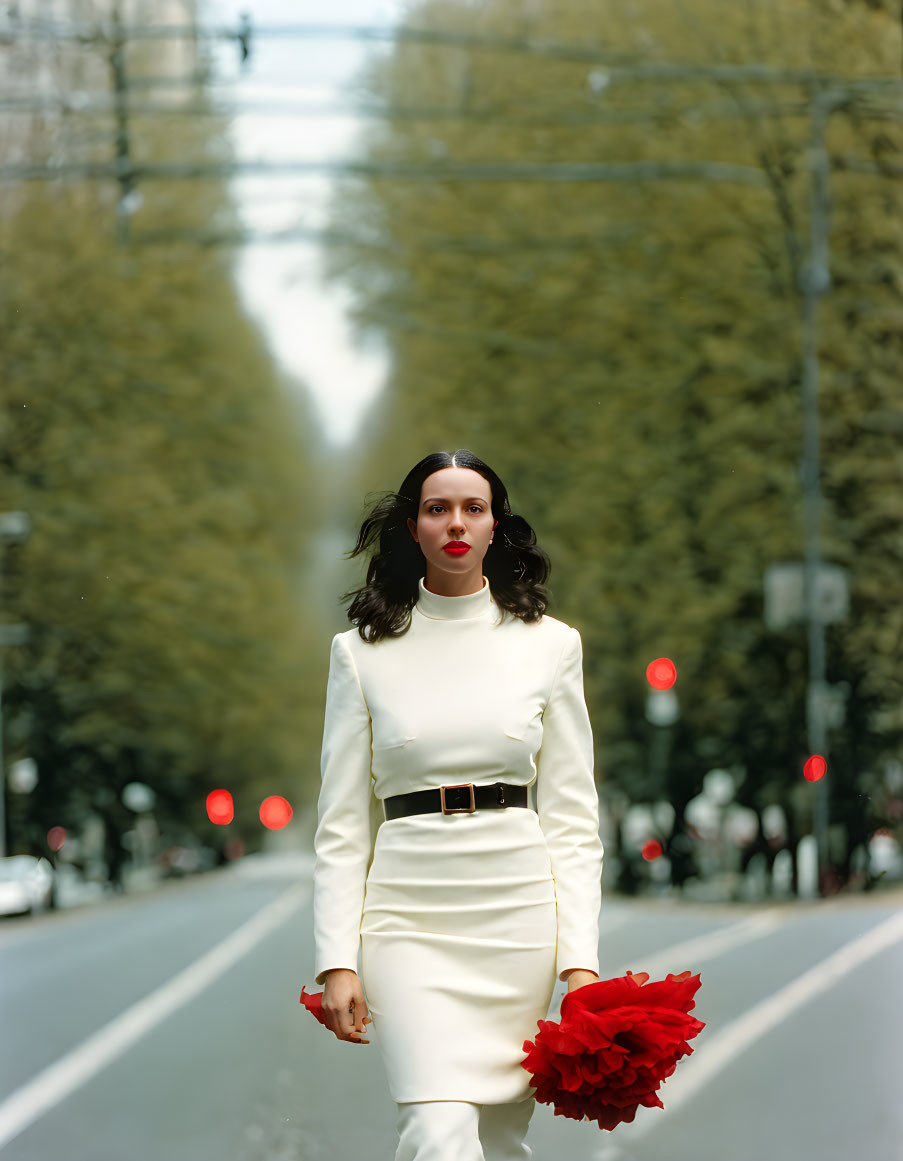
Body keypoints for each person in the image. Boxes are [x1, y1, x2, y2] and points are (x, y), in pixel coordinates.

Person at [313, 449, 604, 1161]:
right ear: (410, 527)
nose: (455, 522)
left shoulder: (552, 645)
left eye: (472, 508)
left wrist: (581, 967)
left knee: (501, 1140)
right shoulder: (360, 653)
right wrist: (335, 960)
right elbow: (343, 824)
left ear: (494, 526)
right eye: (436, 508)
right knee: (437, 1131)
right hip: (407, 919)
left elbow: (571, 820)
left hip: (517, 919)